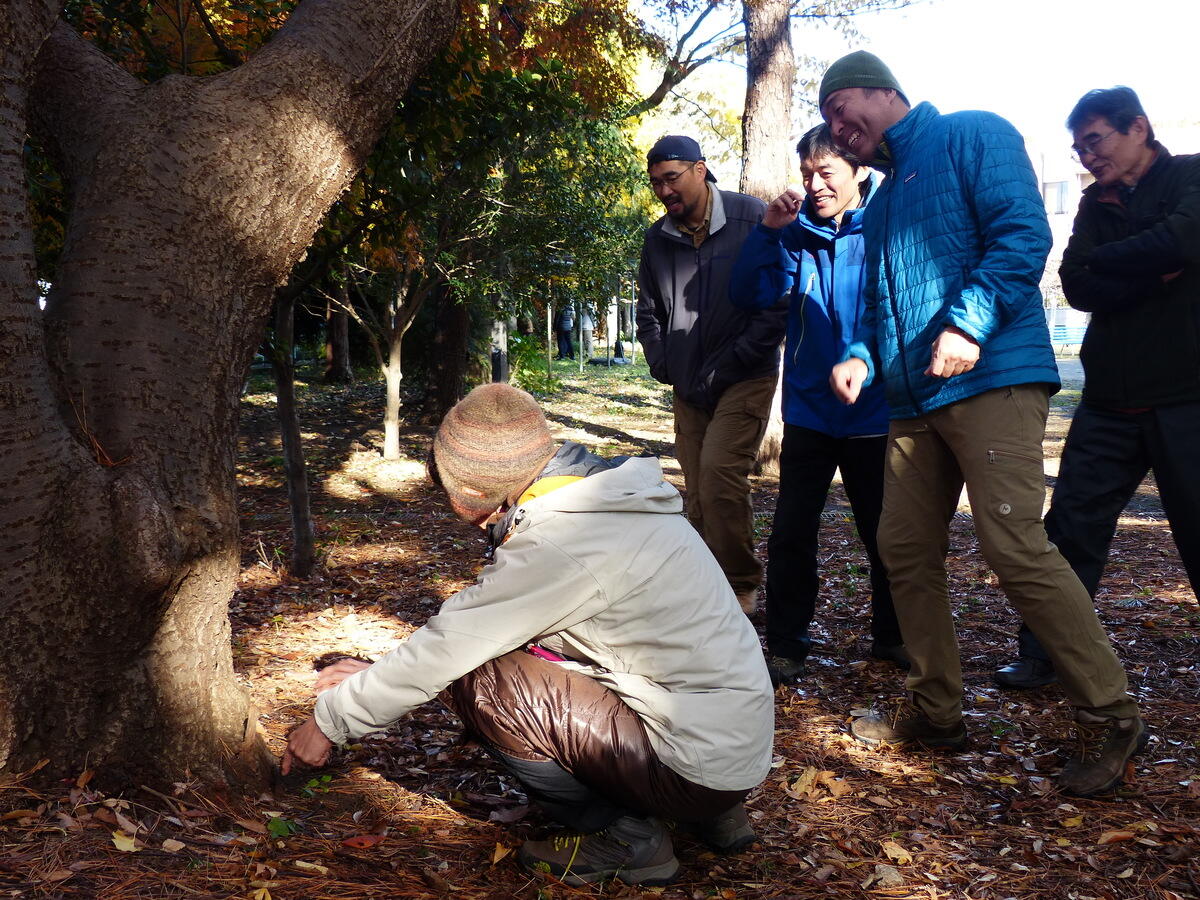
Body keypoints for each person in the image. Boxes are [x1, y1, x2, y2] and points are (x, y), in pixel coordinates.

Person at [282, 384, 774, 886]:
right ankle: (707, 814)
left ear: (472, 494)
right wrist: (381, 673)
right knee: (497, 653)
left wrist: (329, 722)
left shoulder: (563, 541)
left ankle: (624, 837)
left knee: (481, 679)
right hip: (726, 741)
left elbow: (451, 647)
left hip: (697, 761)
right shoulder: (607, 500)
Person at [820, 51, 1146, 796]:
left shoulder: (972, 134)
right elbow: (879, 309)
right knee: (902, 547)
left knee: (1012, 543)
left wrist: (968, 324)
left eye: (843, 107)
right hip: (913, 401)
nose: (837, 128)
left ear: (886, 91)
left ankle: (1112, 714)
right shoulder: (878, 199)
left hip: (993, 373)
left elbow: (1022, 235)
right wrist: (862, 358)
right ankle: (938, 712)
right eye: (829, 118)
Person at [994, 87, 1200, 690]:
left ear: (1138, 128)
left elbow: (1185, 239)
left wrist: (1119, 260)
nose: (1086, 155)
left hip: (1187, 394)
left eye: (1095, 140)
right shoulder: (1094, 203)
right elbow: (1077, 282)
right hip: (1108, 399)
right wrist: (1153, 272)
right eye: (1079, 145)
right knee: (1071, 529)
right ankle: (1044, 654)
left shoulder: (1190, 176)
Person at [729, 124, 905, 685]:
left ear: (860, 172)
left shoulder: (885, 227)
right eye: (807, 174)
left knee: (885, 533)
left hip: (874, 413)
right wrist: (768, 232)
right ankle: (785, 644)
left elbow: (894, 311)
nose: (815, 185)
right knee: (791, 535)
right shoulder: (794, 233)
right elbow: (747, 295)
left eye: (826, 173)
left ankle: (894, 637)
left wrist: (865, 364)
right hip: (808, 411)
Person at [636, 135, 787, 614]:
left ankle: (742, 583)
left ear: (700, 170)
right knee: (699, 491)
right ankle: (706, 583)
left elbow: (776, 302)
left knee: (721, 475)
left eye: (671, 178)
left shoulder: (751, 218)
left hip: (746, 376)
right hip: (688, 382)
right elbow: (647, 310)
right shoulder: (658, 237)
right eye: (656, 182)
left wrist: (735, 360)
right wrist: (663, 360)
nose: (663, 191)